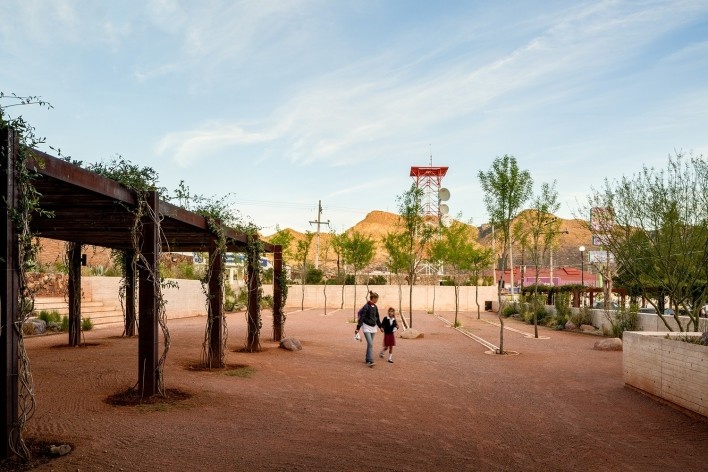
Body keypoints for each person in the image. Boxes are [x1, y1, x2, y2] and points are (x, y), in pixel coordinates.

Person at [354, 291, 383, 367]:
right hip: (366, 327)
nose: (377, 300)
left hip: (373, 328)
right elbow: (362, 318)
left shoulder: (375, 307)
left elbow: (377, 318)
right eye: (376, 299)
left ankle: (367, 359)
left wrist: (380, 327)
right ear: (373, 298)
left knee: (369, 344)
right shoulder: (366, 306)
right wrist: (358, 328)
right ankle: (370, 360)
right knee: (370, 343)